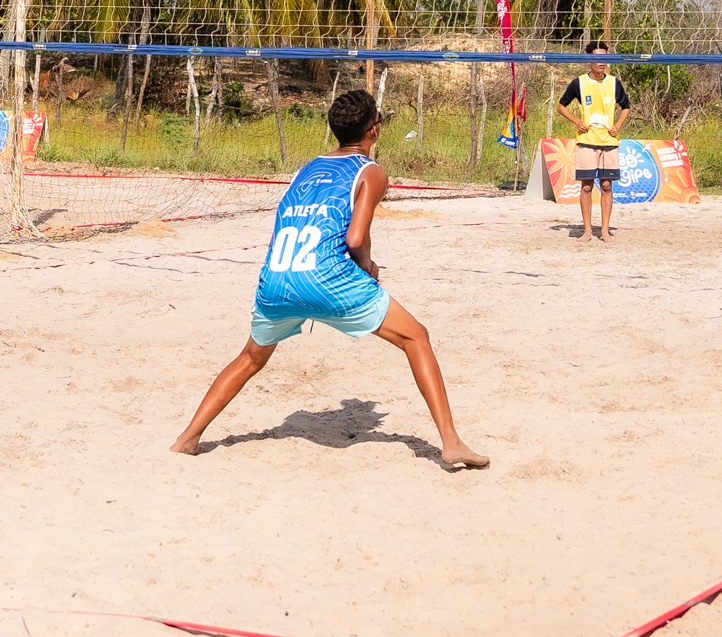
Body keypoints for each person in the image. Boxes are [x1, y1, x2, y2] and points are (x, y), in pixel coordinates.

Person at [169, 89, 489, 469]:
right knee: (416, 337)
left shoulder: (304, 170)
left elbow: (283, 229)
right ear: (375, 130)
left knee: (250, 360)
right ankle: (451, 442)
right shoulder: (371, 172)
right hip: (327, 278)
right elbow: (355, 238)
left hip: (277, 277)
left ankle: (187, 438)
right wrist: (368, 266)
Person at [558, 42, 631, 242]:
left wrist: (618, 125)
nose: (602, 62)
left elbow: (626, 107)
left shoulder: (614, 83)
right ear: (589, 59)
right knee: (587, 186)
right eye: (597, 57)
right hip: (587, 140)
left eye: (605, 57)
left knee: (607, 185)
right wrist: (577, 122)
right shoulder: (579, 83)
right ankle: (588, 230)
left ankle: (605, 231)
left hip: (609, 140)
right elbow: (560, 106)